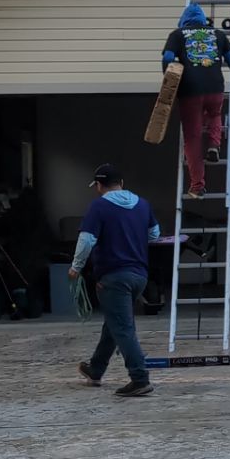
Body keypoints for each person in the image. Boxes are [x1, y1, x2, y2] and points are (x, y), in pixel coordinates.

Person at [69, 163, 161, 398]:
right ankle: (96, 369)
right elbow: (155, 234)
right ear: (122, 183)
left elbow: (87, 240)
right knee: (114, 323)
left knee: (123, 327)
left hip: (113, 276)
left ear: (99, 185)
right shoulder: (143, 204)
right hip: (139, 275)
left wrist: (75, 267)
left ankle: (140, 378)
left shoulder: (98, 207)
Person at [162, 1, 230, 198]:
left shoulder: (177, 35)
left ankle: (197, 186)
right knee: (215, 114)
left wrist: (170, 74)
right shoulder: (219, 35)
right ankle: (214, 146)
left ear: (184, 21)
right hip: (215, 87)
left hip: (190, 91)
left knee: (193, 136)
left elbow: (167, 58)